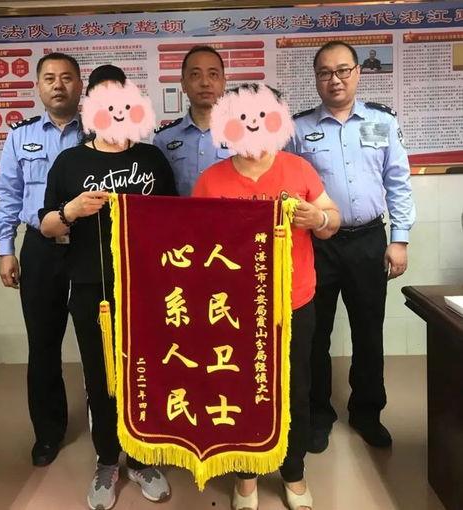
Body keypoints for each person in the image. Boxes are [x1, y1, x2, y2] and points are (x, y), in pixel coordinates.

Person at [193, 83, 340, 510]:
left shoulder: (299, 169)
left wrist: (318, 218)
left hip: (294, 301)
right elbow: (195, 245)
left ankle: (294, 473)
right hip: (234, 309)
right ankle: (246, 476)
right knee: (240, 390)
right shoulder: (211, 179)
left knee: (295, 388)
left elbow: (332, 219)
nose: (252, 125)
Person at [39, 64, 176, 510]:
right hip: (91, 289)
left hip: (148, 288)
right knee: (101, 378)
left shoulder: (152, 159)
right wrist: (71, 210)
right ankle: (107, 459)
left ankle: (141, 457)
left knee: (146, 373)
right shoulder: (70, 162)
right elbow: (46, 225)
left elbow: (176, 223)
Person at [290, 41, 415, 453]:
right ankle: (318, 415)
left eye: (343, 70)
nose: (335, 79)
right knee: (315, 334)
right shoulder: (298, 129)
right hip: (317, 245)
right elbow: (286, 184)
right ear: (316, 79)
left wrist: (399, 240)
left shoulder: (381, 121)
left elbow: (398, 182)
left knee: (368, 330)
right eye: (325, 72)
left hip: (368, 241)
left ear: (358, 72)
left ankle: (367, 413)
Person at [0, 52, 83, 467]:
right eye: (50, 78)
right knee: (43, 344)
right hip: (41, 250)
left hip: (89, 247)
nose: (58, 85)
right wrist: (5, 250)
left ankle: (107, 422)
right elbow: (8, 195)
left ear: (80, 85)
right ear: (38, 87)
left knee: (102, 340)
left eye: (66, 77)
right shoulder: (20, 136)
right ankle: (48, 432)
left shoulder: (99, 131)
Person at [153, 45, 230, 195]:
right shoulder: (164, 138)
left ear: (223, 83)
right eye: (195, 75)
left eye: (213, 74)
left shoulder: (243, 135)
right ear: (183, 84)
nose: (205, 83)